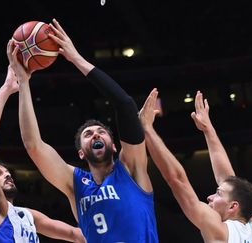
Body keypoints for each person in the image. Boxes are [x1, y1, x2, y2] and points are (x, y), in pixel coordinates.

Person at [11, 19, 159, 243]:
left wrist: (74, 57)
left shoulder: (130, 168)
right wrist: (23, 82)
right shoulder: (75, 184)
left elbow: (125, 105)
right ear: (81, 153)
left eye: (101, 132)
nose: (96, 135)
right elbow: (33, 145)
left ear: (114, 145)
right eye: (88, 135)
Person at [0, 40, 86, 243]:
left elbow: (76, 235)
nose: (7, 174)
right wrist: (7, 88)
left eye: (7, 172)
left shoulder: (28, 216)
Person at [139, 89, 252, 243]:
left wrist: (147, 129)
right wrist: (208, 129)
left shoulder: (219, 230)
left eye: (218, 194)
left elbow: (177, 180)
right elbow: (228, 180)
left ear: (233, 207)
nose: (209, 197)